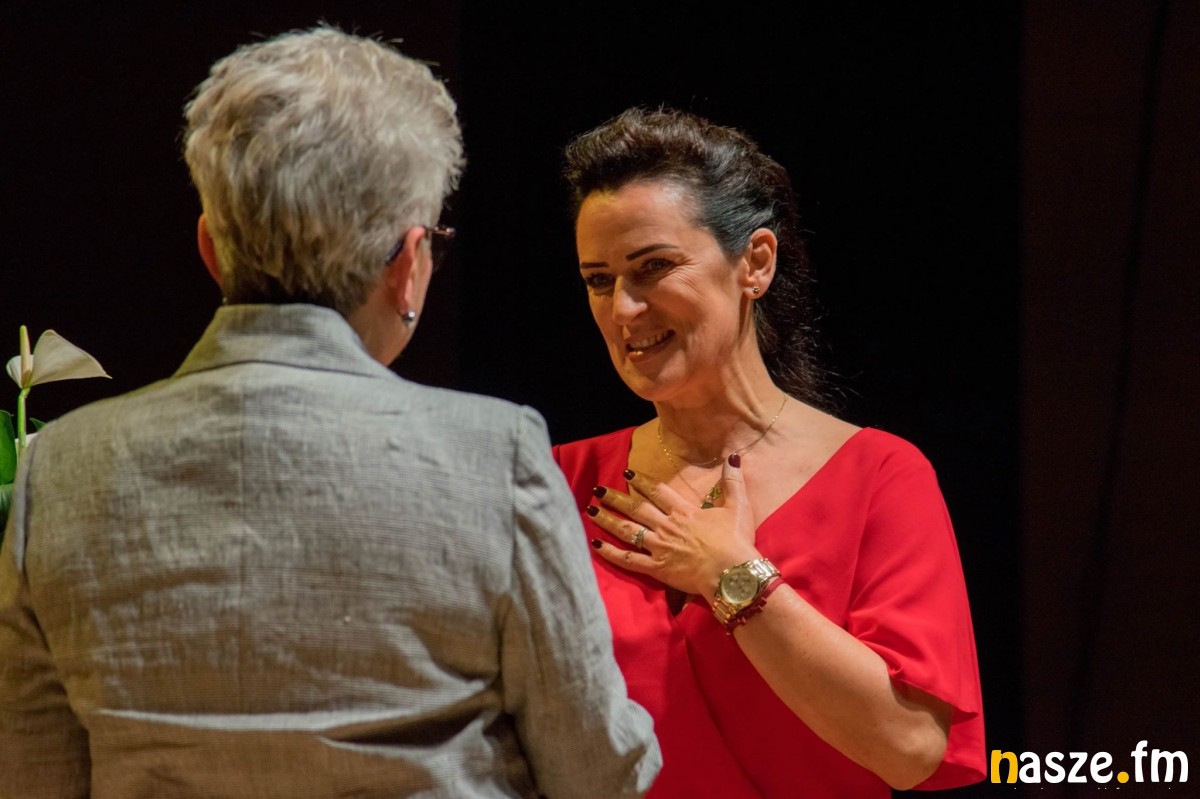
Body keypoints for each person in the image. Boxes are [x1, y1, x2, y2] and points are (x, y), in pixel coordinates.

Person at [0, 28, 660, 798]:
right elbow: (598, 770)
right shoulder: (493, 455)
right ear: (408, 264)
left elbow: (32, 775)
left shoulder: (60, 469)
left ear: (211, 249)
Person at [552, 106, 985, 797]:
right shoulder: (557, 480)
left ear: (754, 263)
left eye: (653, 267)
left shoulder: (880, 475)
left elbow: (911, 748)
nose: (623, 309)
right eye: (599, 280)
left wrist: (733, 574)